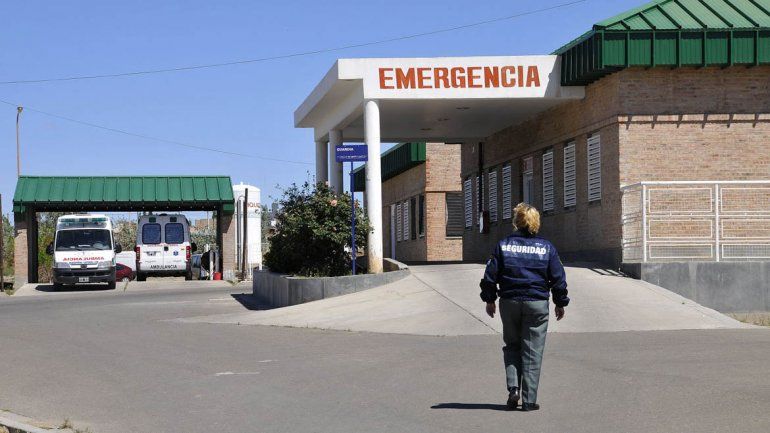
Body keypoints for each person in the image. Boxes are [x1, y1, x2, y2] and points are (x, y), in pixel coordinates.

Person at [480, 203, 569, 411]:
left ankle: (513, 389)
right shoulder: (547, 248)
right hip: (537, 303)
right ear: (536, 222)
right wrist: (560, 302)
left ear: (516, 222)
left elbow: (489, 276)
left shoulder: (503, 245)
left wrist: (490, 299)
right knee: (533, 351)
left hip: (509, 302)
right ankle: (529, 400)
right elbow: (558, 279)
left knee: (512, 346)